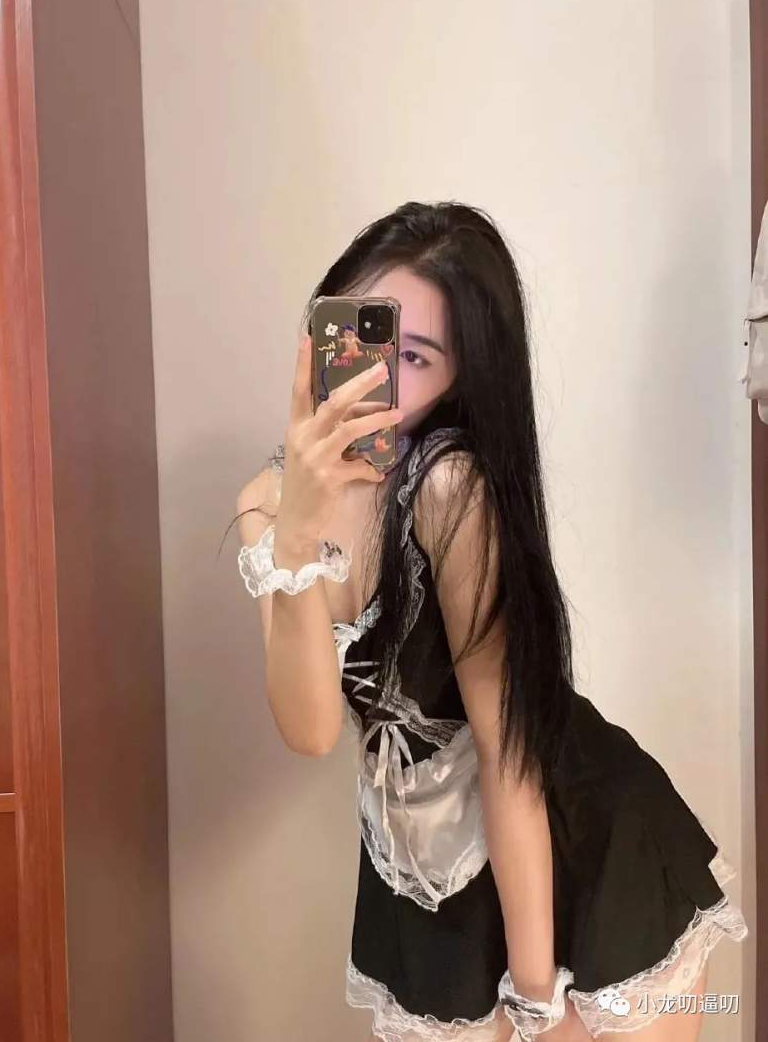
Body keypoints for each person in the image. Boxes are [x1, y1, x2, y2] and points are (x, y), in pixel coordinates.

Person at [232, 201, 748, 1041]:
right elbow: (311, 729)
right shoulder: (264, 505)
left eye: (414, 356)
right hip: (426, 875)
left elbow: (510, 753)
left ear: (458, 382)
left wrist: (538, 1000)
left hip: (576, 846)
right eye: (364, 327)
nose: (374, 373)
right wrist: (297, 536)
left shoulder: (448, 488)